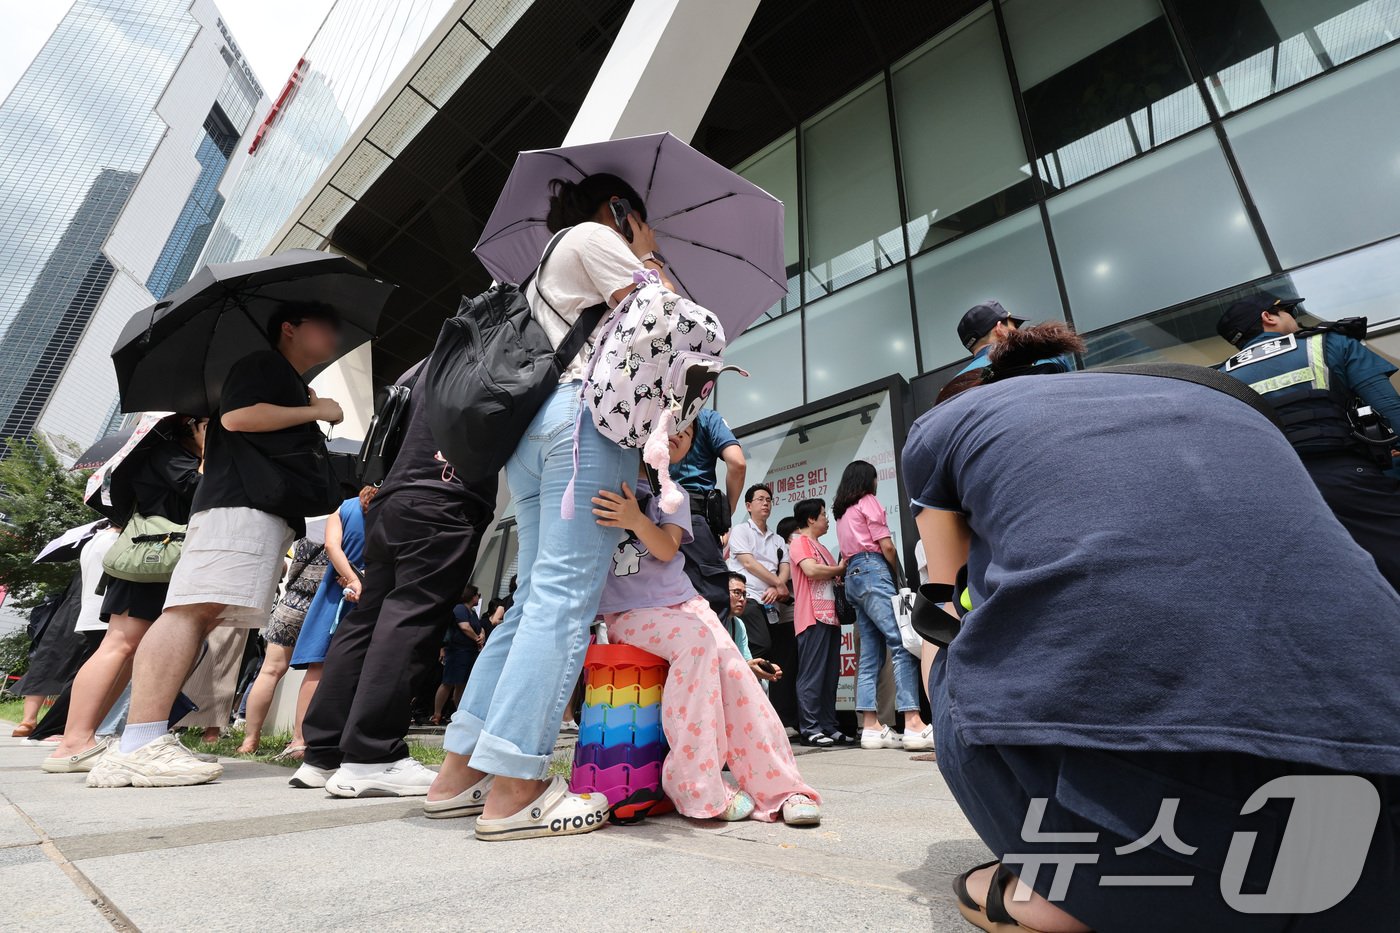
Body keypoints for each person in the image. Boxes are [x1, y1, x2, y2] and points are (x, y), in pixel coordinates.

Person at [906, 323, 1400, 931]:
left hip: (1157, 860)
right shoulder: (1217, 399)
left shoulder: (944, 427)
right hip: (1382, 840)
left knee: (938, 647)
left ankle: (1063, 888)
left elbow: (944, 595)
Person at [426, 172, 662, 841]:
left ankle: (461, 773)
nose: (650, 237)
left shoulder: (549, 264)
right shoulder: (596, 236)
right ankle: (517, 787)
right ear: (620, 210)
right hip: (586, 426)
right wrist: (646, 260)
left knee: (533, 599)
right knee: (560, 601)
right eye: (644, 222)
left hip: (535, 435)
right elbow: (656, 322)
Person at [86, 304, 344, 788]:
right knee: (190, 611)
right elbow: (240, 417)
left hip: (245, 510)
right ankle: (138, 742)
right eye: (325, 324)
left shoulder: (280, 377)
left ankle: (142, 737)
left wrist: (303, 405)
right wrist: (317, 410)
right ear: (289, 327)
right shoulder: (264, 364)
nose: (336, 333)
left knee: (197, 612)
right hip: (237, 510)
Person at [588, 425, 820, 824]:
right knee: (696, 644)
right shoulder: (608, 478)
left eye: (690, 431)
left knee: (736, 670)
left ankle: (782, 789)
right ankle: (696, 785)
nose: (681, 433)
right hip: (629, 613)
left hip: (684, 601)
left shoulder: (673, 494)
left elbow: (665, 547)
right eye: (673, 423)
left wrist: (635, 519)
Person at [295, 387, 496, 797]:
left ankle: (323, 752)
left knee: (367, 621)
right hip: (443, 496)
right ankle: (372, 755)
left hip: (392, 498)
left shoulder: (421, 365)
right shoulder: (490, 348)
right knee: (409, 619)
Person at [45, 416, 204, 773]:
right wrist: (207, 453)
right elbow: (197, 490)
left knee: (126, 650)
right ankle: (72, 742)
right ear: (192, 425)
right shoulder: (168, 454)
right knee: (119, 645)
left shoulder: (165, 454)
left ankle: (83, 739)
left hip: (152, 561)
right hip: (148, 561)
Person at [1215, 292, 1400, 591]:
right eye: (1288, 310)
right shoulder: (1330, 344)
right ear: (1268, 316)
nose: (1294, 317)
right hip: (1348, 480)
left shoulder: (1219, 378)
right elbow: (1391, 410)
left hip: (1277, 500)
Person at [832, 461, 931, 752]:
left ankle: (871, 726)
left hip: (853, 577)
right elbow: (886, 546)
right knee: (901, 644)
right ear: (868, 481)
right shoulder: (868, 502)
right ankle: (913, 722)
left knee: (869, 656)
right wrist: (898, 576)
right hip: (873, 572)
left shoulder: (842, 512)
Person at [236, 538, 327, 757]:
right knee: (317, 670)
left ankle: (250, 739)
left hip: (291, 602)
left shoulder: (308, 530)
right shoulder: (341, 524)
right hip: (322, 604)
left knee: (269, 671)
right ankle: (300, 739)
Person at [672, 407, 747, 616]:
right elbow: (737, 463)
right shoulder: (705, 417)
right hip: (696, 520)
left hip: (654, 519)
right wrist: (725, 516)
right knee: (710, 603)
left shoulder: (651, 414)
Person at [788, 498, 846, 748]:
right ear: (811, 519)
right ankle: (810, 728)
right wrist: (839, 570)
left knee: (830, 675)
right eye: (823, 515)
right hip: (811, 617)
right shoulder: (799, 542)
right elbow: (811, 571)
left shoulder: (822, 547)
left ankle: (828, 725)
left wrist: (837, 572)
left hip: (830, 617)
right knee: (812, 675)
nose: (827, 519)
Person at [954, 300, 1073, 377]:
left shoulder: (957, 383)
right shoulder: (1044, 355)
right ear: (999, 328)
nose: (1017, 331)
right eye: (1014, 326)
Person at [727, 484, 789, 605]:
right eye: (760, 499)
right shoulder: (740, 530)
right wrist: (779, 584)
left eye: (768, 500)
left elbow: (785, 568)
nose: (765, 503)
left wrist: (776, 588)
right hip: (748, 597)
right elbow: (748, 563)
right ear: (748, 506)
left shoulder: (778, 540)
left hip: (772, 600)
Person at [433, 586, 485, 725]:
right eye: (477, 595)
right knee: (448, 682)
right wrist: (477, 638)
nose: (478, 597)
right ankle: (437, 714)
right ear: (471, 596)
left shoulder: (472, 612)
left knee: (461, 683)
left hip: (469, 651)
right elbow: (465, 627)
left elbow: (479, 627)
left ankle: (458, 712)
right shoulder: (460, 609)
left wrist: (481, 635)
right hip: (457, 650)